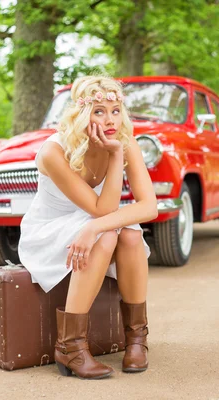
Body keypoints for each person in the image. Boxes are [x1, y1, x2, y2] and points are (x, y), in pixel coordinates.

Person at [17, 75, 158, 379]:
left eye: (115, 110)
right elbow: (102, 210)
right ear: (82, 112)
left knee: (132, 235)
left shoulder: (123, 142)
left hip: (88, 225)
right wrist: (95, 228)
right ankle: (70, 347)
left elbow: (149, 206)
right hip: (49, 229)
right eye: (99, 111)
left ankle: (137, 340)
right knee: (107, 233)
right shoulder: (53, 151)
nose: (110, 120)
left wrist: (117, 152)